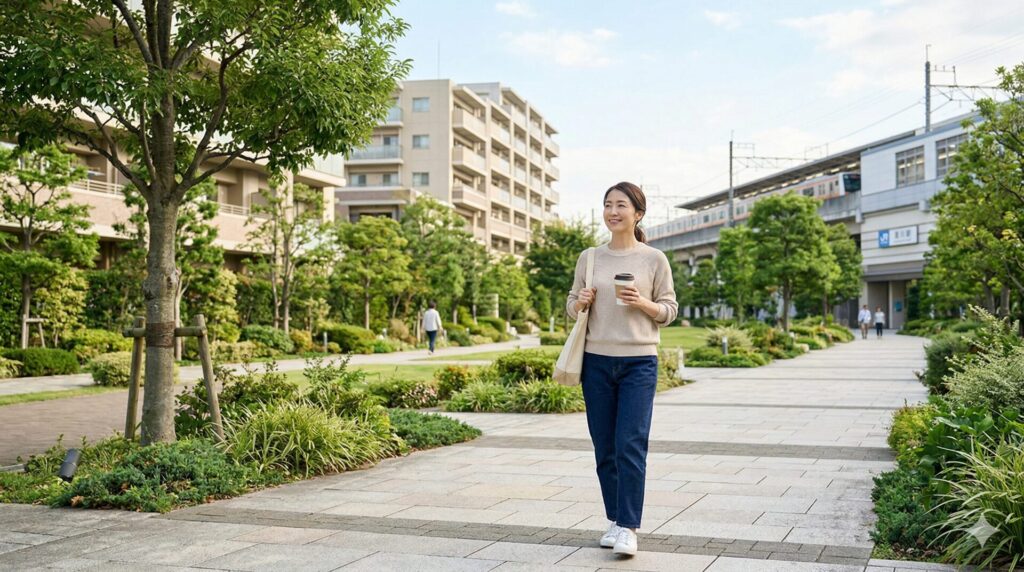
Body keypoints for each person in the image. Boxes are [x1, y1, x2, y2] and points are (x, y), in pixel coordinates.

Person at [566, 182, 678, 557]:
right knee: (605, 447)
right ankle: (615, 519)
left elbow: (669, 311)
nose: (613, 211)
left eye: (621, 205)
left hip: (639, 362)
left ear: (638, 214)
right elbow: (571, 304)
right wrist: (580, 301)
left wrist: (642, 303)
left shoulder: (654, 259)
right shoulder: (590, 257)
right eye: (608, 205)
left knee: (630, 443)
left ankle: (629, 526)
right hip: (596, 361)